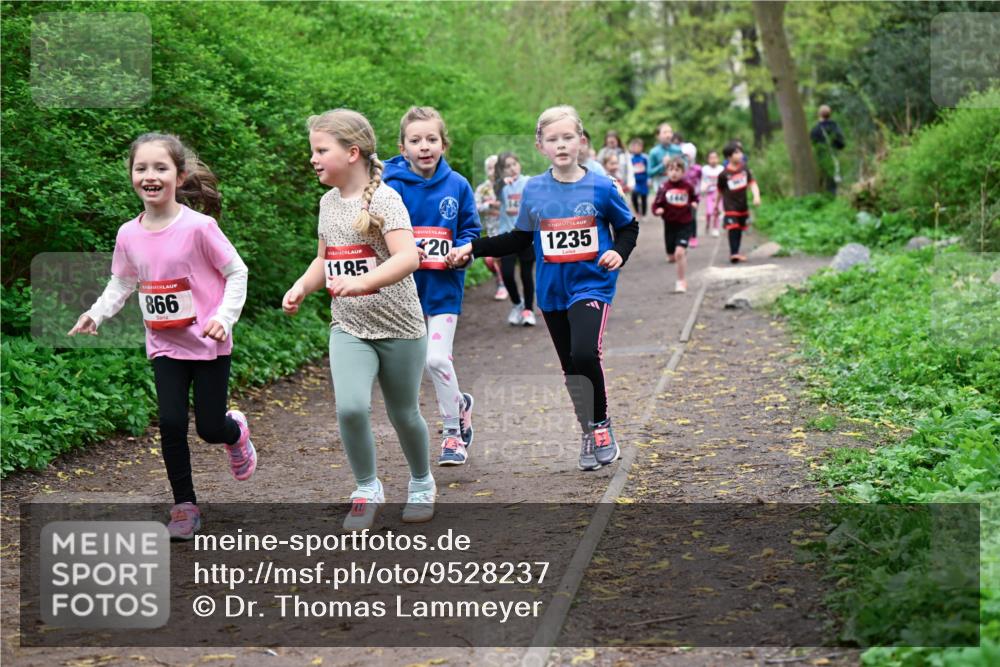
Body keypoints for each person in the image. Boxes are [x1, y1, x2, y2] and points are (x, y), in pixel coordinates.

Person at [69, 133, 254, 541]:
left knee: (208, 427)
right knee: (170, 423)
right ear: (131, 175)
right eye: (141, 168)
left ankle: (235, 432)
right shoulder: (128, 234)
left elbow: (236, 273)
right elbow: (122, 283)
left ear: (179, 175)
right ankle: (184, 506)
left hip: (208, 343)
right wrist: (95, 313)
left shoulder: (199, 227)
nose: (149, 176)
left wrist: (225, 317)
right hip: (165, 345)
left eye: (160, 168)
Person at [447, 105, 640, 472]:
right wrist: (474, 247)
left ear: (581, 142)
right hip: (552, 290)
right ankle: (586, 430)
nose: (562, 144)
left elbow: (628, 227)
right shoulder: (534, 189)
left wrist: (618, 251)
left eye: (569, 137)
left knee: (585, 355)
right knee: (570, 367)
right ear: (541, 146)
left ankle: (602, 427)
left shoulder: (601, 185)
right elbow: (519, 237)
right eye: (553, 139)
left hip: (591, 285)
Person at [282, 109, 433, 530]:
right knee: (350, 408)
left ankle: (421, 482)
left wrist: (366, 282)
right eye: (312, 150)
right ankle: (367, 487)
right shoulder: (327, 203)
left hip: (400, 325)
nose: (312, 158)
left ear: (352, 153)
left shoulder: (385, 199)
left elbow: (408, 257)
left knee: (404, 414)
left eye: (320, 150)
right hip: (348, 326)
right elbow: (323, 259)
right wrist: (302, 286)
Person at [383, 107, 481, 467]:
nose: (424, 146)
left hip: (443, 289)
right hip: (402, 293)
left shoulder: (458, 185)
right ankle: (461, 403)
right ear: (403, 146)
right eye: (415, 140)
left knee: (437, 359)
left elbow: (472, 232)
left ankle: (453, 435)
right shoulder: (389, 187)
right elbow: (375, 232)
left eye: (431, 139)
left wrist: (463, 251)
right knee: (403, 372)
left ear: (443, 143)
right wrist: (404, 250)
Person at [494, 151, 536, 326]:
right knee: (507, 274)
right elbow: (495, 191)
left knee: (526, 274)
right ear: (502, 171)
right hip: (507, 236)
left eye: (514, 164)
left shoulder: (527, 181)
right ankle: (517, 305)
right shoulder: (501, 186)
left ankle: (528, 310)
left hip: (527, 235)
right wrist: (501, 182)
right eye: (507, 167)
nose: (512, 169)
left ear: (519, 165)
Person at [652, 157, 698, 293]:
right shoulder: (663, 187)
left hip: (685, 224)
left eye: (677, 170)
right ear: (666, 172)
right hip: (669, 225)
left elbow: (695, 197)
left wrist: (695, 203)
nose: (674, 173)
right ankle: (679, 253)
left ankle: (681, 281)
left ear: (683, 172)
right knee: (671, 256)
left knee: (679, 254)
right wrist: (657, 211)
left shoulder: (688, 186)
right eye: (671, 169)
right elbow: (656, 204)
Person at [716, 141, 761, 263]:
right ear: (729, 157)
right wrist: (716, 206)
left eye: (740, 151)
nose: (740, 154)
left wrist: (756, 196)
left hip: (743, 205)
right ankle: (734, 253)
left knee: (740, 228)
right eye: (737, 152)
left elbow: (752, 183)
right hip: (730, 207)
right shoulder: (723, 175)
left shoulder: (744, 169)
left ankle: (736, 252)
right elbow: (719, 191)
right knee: (733, 228)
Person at [474, 154, 508, 300]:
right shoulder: (482, 189)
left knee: (505, 258)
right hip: (491, 228)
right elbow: (474, 207)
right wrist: (489, 205)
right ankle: (501, 283)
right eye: (489, 168)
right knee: (490, 259)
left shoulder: (508, 185)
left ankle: (506, 283)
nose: (493, 170)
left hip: (508, 228)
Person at [809, 104, 846, 195]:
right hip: (833, 157)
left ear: (819, 114)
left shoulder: (815, 129)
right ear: (830, 114)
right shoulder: (835, 127)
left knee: (820, 182)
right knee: (832, 184)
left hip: (820, 159)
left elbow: (811, 144)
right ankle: (832, 202)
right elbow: (842, 144)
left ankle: (820, 201)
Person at [647, 123, 684, 196]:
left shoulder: (678, 150)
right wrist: (662, 165)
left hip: (676, 184)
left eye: (670, 132)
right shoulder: (654, 152)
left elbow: (684, 167)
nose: (668, 135)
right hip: (660, 184)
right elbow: (649, 172)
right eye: (665, 132)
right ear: (658, 136)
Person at [680, 142, 701, 248]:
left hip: (694, 196)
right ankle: (684, 236)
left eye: (688, 155)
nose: (686, 157)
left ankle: (693, 237)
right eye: (684, 155)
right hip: (682, 197)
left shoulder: (697, 169)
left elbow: (702, 180)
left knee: (692, 217)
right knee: (683, 217)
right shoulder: (680, 168)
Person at [700, 150, 724, 237]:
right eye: (711, 158)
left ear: (718, 159)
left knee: (716, 211)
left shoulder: (721, 169)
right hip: (709, 193)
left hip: (718, 193)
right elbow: (702, 180)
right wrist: (703, 188)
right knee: (709, 212)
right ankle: (707, 224)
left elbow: (724, 181)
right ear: (708, 159)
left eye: (715, 158)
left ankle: (715, 228)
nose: (713, 160)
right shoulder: (705, 169)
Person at [628, 138, 650, 218]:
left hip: (643, 181)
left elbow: (649, 169)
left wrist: (649, 179)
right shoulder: (630, 158)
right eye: (635, 147)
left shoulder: (645, 157)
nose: (637, 148)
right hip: (635, 182)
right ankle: (637, 212)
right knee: (634, 197)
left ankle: (644, 214)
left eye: (639, 147)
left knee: (644, 198)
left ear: (642, 147)